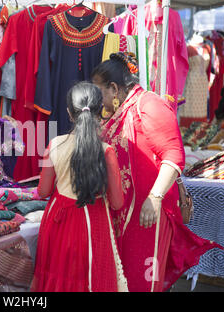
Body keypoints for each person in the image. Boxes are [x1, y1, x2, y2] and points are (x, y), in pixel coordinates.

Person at [91, 52, 222, 292]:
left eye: (99, 93)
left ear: (113, 88)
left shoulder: (149, 104)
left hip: (148, 215)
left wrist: (154, 198)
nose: (98, 101)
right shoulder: (119, 113)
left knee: (140, 281)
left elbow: (173, 156)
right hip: (124, 217)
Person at [31, 81, 128, 292]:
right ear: (100, 111)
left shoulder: (54, 144)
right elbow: (118, 202)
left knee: (56, 276)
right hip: (93, 224)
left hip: (58, 220)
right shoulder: (107, 151)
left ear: (69, 112)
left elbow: (44, 191)